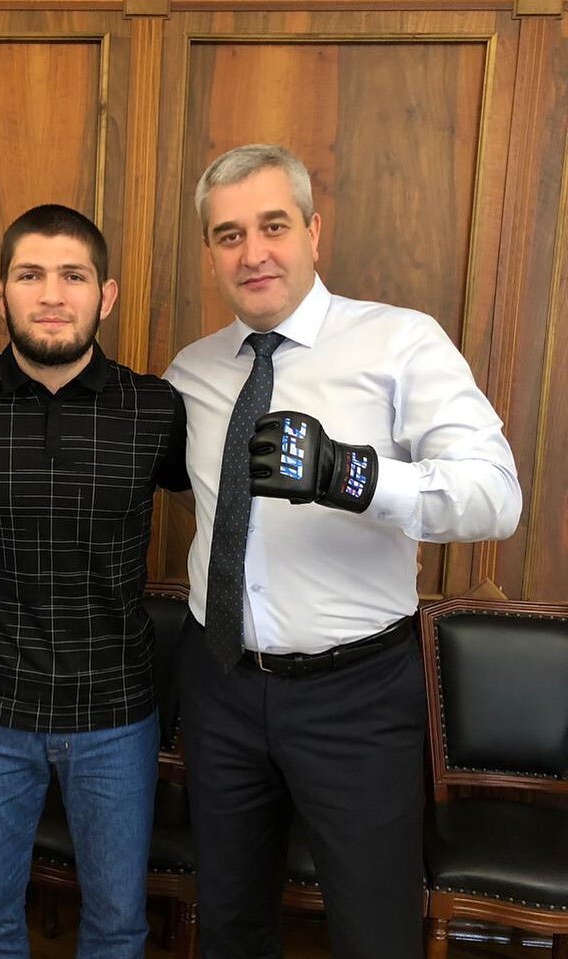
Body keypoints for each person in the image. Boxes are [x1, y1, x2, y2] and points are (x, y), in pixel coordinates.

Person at [164, 144, 522, 959]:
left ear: (313, 232)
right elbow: (184, 494)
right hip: (219, 682)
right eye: (228, 235)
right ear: (210, 251)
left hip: (355, 696)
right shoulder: (191, 371)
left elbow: (496, 496)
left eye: (273, 226)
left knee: (374, 932)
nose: (252, 253)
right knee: (228, 925)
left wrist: (351, 475)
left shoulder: (399, 342)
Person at [0, 204, 190, 959]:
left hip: (116, 711)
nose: (51, 295)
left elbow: (228, 518)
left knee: (117, 928)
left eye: (73, 276)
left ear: (106, 294)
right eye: (30, 275)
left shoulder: (155, 409)